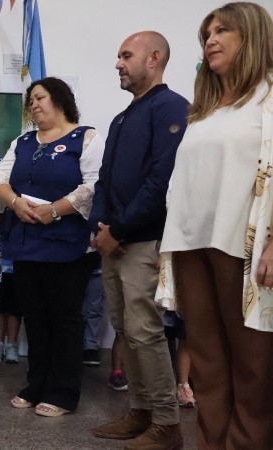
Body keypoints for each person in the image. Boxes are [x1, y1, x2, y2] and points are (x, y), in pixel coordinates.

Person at [159, 3, 273, 448]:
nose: (211, 39)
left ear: (253, 37)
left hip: (241, 246)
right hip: (191, 244)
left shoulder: (267, 99)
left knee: (253, 363)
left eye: (223, 30)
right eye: (207, 32)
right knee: (206, 362)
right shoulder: (205, 108)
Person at [90, 31, 188, 449]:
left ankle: (167, 424)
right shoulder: (122, 117)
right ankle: (140, 411)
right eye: (117, 56)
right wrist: (98, 228)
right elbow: (105, 181)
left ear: (154, 58)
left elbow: (161, 182)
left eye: (125, 56)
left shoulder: (172, 107)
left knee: (146, 332)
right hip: (113, 241)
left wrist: (120, 230)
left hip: (142, 241)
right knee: (124, 331)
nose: (118, 63)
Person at [0, 77, 104, 416]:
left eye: (40, 98)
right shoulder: (22, 142)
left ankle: (62, 392)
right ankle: (35, 383)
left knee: (64, 318)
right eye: (31, 101)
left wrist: (54, 209)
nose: (34, 105)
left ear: (60, 99)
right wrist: (14, 203)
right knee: (35, 318)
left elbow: (93, 185)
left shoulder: (86, 138)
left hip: (68, 246)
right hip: (27, 243)